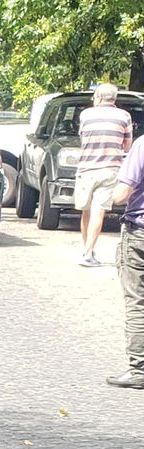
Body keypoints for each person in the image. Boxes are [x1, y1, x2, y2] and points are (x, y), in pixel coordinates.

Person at [77, 83, 134, 267]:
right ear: (114, 99)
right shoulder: (124, 116)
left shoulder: (86, 115)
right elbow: (127, 145)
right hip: (110, 168)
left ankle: (88, 249)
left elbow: (82, 138)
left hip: (86, 168)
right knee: (99, 211)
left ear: (98, 97)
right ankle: (88, 252)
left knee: (86, 211)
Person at [109, 136, 144, 388]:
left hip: (140, 234)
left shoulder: (142, 145)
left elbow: (122, 194)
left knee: (137, 303)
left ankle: (139, 369)